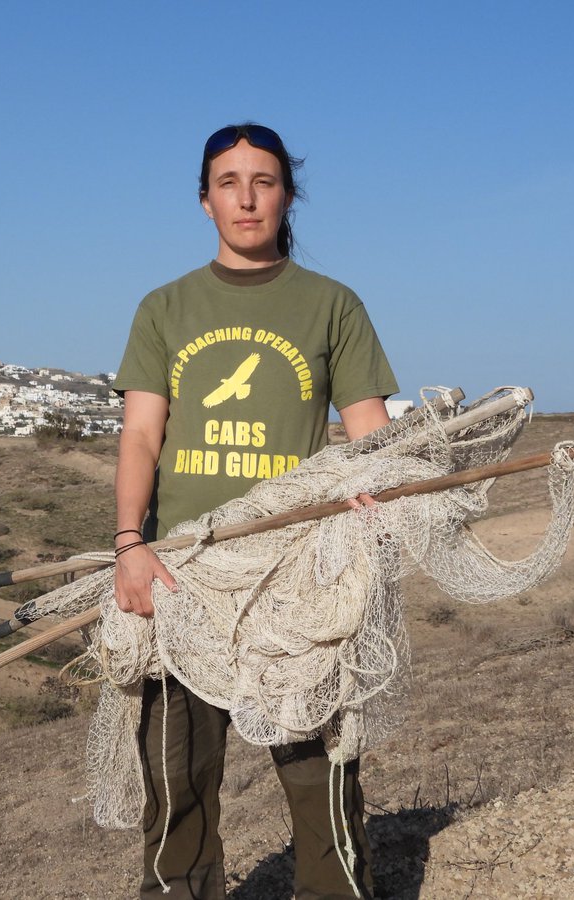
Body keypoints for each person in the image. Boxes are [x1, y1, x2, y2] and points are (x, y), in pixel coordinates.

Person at [111, 122, 399, 899]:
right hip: (182, 576)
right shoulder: (165, 308)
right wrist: (130, 542)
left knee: (320, 778)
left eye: (264, 180)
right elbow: (141, 434)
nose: (246, 197)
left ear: (287, 194)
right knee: (178, 785)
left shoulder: (332, 306)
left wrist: (373, 500)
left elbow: (368, 432)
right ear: (204, 201)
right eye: (228, 182)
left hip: (296, 577)